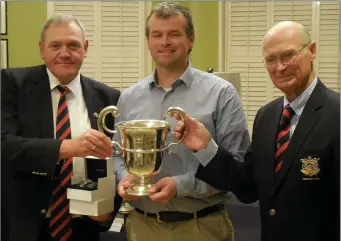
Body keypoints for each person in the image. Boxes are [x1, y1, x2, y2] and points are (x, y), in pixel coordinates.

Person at [174, 21, 340, 241]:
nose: (280, 67)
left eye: (288, 55)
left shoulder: (336, 114)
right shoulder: (267, 117)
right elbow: (247, 188)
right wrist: (206, 147)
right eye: (271, 59)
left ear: (312, 51)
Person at [114, 2, 250, 241]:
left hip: (201, 227)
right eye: (157, 34)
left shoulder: (222, 94)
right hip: (141, 226)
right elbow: (117, 155)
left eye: (174, 34)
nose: (165, 42)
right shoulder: (129, 98)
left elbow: (237, 167)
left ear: (191, 39)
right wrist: (124, 176)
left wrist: (181, 186)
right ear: (148, 41)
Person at [1, 14, 122, 241]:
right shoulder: (12, 83)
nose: (64, 53)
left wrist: (106, 212)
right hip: (27, 227)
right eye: (55, 45)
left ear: (85, 48)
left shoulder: (107, 96)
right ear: (41, 48)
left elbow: (113, 161)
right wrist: (69, 147)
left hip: (84, 227)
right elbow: (5, 145)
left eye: (73, 45)